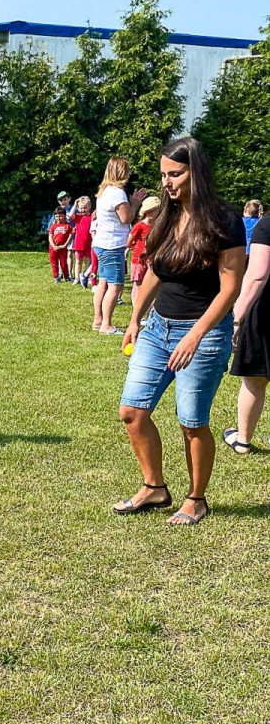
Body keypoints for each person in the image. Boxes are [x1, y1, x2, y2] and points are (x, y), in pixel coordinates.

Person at [115, 137, 246, 526]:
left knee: (192, 421)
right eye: (163, 175)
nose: (167, 183)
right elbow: (156, 269)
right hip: (158, 329)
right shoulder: (168, 217)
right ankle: (154, 488)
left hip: (203, 333)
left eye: (175, 174)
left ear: (197, 173)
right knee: (132, 412)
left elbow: (231, 289)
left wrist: (196, 336)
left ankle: (196, 498)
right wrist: (135, 317)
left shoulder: (225, 221)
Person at [223, 209, 270, 455]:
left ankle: (242, 440)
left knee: (255, 377)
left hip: (265, 312)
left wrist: (236, 318)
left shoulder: (267, 225)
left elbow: (257, 275)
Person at [92, 158, 147, 335]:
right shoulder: (117, 193)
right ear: (121, 172)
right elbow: (126, 218)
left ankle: (98, 320)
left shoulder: (105, 191)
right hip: (112, 245)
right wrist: (135, 204)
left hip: (101, 243)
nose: (130, 173)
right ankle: (106, 325)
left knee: (103, 282)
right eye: (127, 170)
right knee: (115, 285)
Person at [127, 195, 160, 309]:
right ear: (148, 211)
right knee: (138, 285)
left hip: (152, 260)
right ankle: (137, 309)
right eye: (157, 210)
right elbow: (129, 242)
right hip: (139, 261)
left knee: (151, 285)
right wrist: (138, 250)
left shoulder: (158, 226)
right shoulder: (139, 226)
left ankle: (150, 310)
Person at [47, 207, 72, 283]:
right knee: (54, 263)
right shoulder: (53, 226)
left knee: (64, 264)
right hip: (53, 248)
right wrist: (53, 246)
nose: (59, 218)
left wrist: (64, 245)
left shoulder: (68, 226)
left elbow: (70, 236)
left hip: (63, 248)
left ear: (64, 216)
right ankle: (56, 277)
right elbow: (50, 236)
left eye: (60, 216)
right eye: (57, 216)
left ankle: (66, 277)